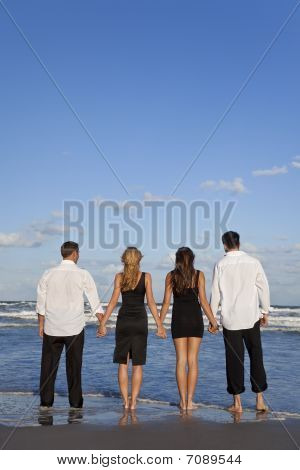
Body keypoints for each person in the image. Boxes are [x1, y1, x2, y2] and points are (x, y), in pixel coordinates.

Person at [36, 241, 104, 408]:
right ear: (75, 254)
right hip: (74, 328)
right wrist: (101, 322)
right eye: (78, 253)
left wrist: (40, 325)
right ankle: (75, 403)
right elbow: (94, 299)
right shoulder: (83, 274)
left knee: (48, 366)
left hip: (52, 327)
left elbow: (41, 303)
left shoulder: (48, 273)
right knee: (74, 366)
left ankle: (46, 402)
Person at [98, 247, 166, 410]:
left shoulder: (119, 277)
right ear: (139, 260)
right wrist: (159, 325)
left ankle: (125, 401)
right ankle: (134, 402)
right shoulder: (146, 277)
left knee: (123, 363)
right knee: (137, 364)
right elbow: (150, 302)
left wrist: (103, 323)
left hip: (124, 322)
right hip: (139, 322)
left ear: (124, 260)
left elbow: (113, 302)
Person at [210, 231, 270, 413]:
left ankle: (237, 404)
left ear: (224, 245)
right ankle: (259, 400)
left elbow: (215, 293)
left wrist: (212, 318)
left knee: (234, 360)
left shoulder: (220, 264)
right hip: (251, 316)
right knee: (256, 356)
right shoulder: (253, 262)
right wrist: (265, 311)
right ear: (239, 243)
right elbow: (263, 287)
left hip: (231, 318)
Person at [159, 247, 219, 411]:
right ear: (192, 259)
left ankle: (182, 402)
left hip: (178, 320)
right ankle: (190, 402)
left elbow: (165, 303)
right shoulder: (199, 275)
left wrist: (160, 324)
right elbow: (204, 302)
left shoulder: (171, 276)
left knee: (180, 361)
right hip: (194, 320)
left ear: (177, 259)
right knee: (192, 361)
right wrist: (214, 322)